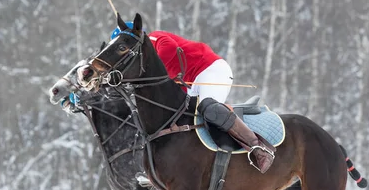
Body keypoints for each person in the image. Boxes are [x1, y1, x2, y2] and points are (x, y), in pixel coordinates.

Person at [109, 22, 275, 174]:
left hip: (210, 68)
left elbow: (169, 47)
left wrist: (158, 75)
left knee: (209, 108)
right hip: (191, 82)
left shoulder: (153, 38)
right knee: (180, 117)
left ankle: (259, 149)